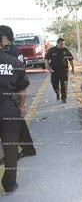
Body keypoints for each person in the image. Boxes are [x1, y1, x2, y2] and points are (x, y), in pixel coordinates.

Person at [0, 25, 36, 165]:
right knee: (18, 123)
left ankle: (17, 153)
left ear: (4, 37)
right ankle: (28, 148)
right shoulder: (16, 50)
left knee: (13, 128)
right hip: (15, 93)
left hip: (11, 95)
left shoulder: (7, 51)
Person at [0, 30, 30, 195]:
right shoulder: (13, 62)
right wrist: (22, 106)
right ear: (2, 42)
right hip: (9, 111)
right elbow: (22, 89)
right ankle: (9, 185)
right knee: (11, 149)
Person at [45, 38, 74, 103]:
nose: (62, 45)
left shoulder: (66, 50)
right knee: (54, 83)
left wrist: (73, 68)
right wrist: (47, 66)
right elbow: (46, 58)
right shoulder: (52, 50)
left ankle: (64, 98)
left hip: (64, 70)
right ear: (57, 43)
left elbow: (71, 59)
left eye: (63, 44)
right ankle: (58, 92)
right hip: (54, 70)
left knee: (64, 84)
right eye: (61, 44)